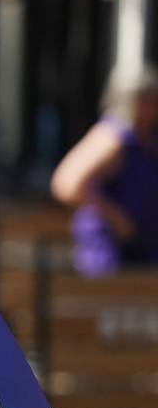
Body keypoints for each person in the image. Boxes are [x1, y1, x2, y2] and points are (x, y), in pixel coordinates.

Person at [51, 66, 158, 277]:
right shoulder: (112, 137)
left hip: (144, 248)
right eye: (149, 99)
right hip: (110, 251)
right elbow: (66, 184)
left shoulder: (147, 137)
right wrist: (114, 216)